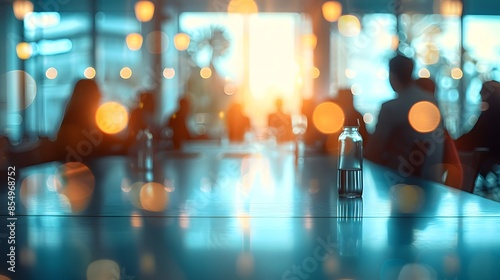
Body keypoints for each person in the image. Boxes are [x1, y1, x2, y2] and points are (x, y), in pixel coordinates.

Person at [365, 54, 445, 183]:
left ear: (391, 76)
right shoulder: (432, 101)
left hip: (402, 186)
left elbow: (372, 153)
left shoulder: (391, 108)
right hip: (435, 184)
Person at [455, 80, 500, 179]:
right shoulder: (491, 111)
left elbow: (474, 137)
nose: (479, 94)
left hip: (489, 160)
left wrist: (453, 144)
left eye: (483, 91)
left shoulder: (490, 114)